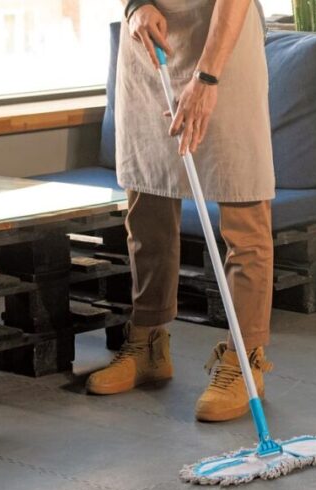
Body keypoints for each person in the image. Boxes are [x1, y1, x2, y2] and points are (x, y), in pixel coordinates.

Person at [87, 0, 275, 423]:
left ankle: (245, 362)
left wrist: (207, 77)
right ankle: (147, 343)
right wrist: (135, 5)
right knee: (147, 197)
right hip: (152, 42)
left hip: (222, 40)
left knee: (242, 192)